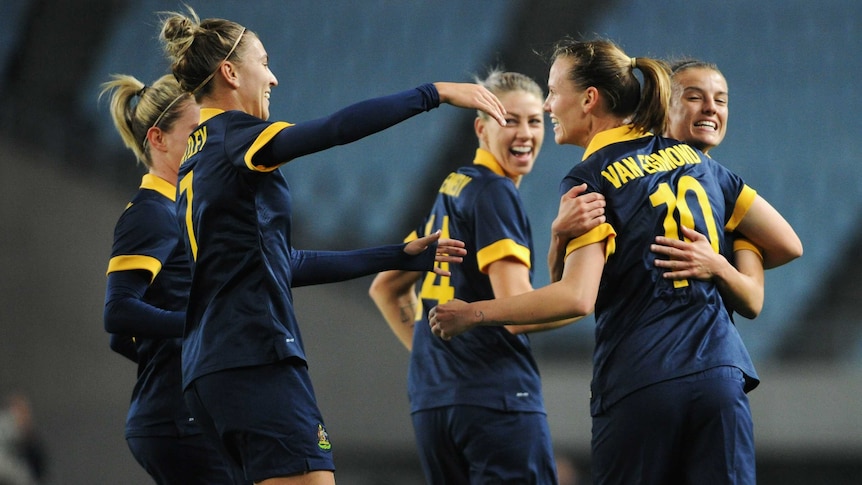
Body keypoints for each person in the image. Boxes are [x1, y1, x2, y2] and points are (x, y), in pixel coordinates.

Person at [429, 37, 802, 485]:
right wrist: (727, 257)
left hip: (642, 380)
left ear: (588, 99)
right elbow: (786, 243)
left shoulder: (592, 176)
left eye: (553, 90)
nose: (549, 105)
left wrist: (473, 313)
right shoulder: (699, 162)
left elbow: (577, 297)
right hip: (720, 377)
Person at [158, 7, 506, 485]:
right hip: (255, 357)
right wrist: (435, 93)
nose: (274, 77)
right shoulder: (237, 138)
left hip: (210, 369)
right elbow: (336, 129)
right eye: (264, 61)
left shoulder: (195, 159)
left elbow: (280, 263)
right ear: (230, 72)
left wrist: (394, 257)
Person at [369, 70, 602, 484]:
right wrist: (584, 297)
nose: (525, 133)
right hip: (496, 399)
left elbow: (386, 286)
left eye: (534, 121)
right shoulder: (495, 193)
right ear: (481, 127)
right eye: (509, 119)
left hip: (433, 402)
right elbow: (517, 313)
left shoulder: (455, 188)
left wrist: (439, 360)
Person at [100, 73, 249, 484]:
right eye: (195, 131)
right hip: (179, 422)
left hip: (173, 417)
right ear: (158, 138)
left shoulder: (181, 209)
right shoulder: (152, 213)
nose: (206, 141)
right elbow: (118, 314)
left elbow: (123, 339)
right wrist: (200, 329)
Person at [652, 59, 764, 318]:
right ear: (663, 106)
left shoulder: (724, 189)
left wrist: (718, 264)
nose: (711, 108)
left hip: (707, 348)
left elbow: (790, 247)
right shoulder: (637, 175)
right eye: (694, 97)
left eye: (721, 101)